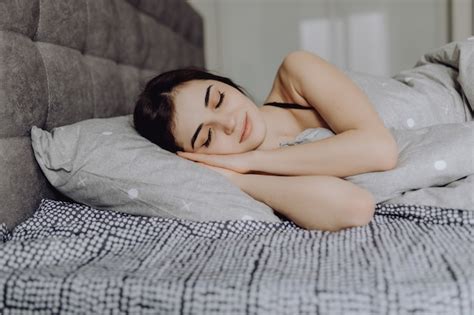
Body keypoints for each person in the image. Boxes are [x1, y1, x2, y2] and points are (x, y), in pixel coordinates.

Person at [133, 50, 399, 232]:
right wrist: (236, 178)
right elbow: (355, 207)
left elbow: (380, 150)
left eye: (219, 100)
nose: (229, 123)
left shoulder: (296, 72)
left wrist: (252, 159)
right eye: (207, 138)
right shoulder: (258, 176)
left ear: (227, 83)